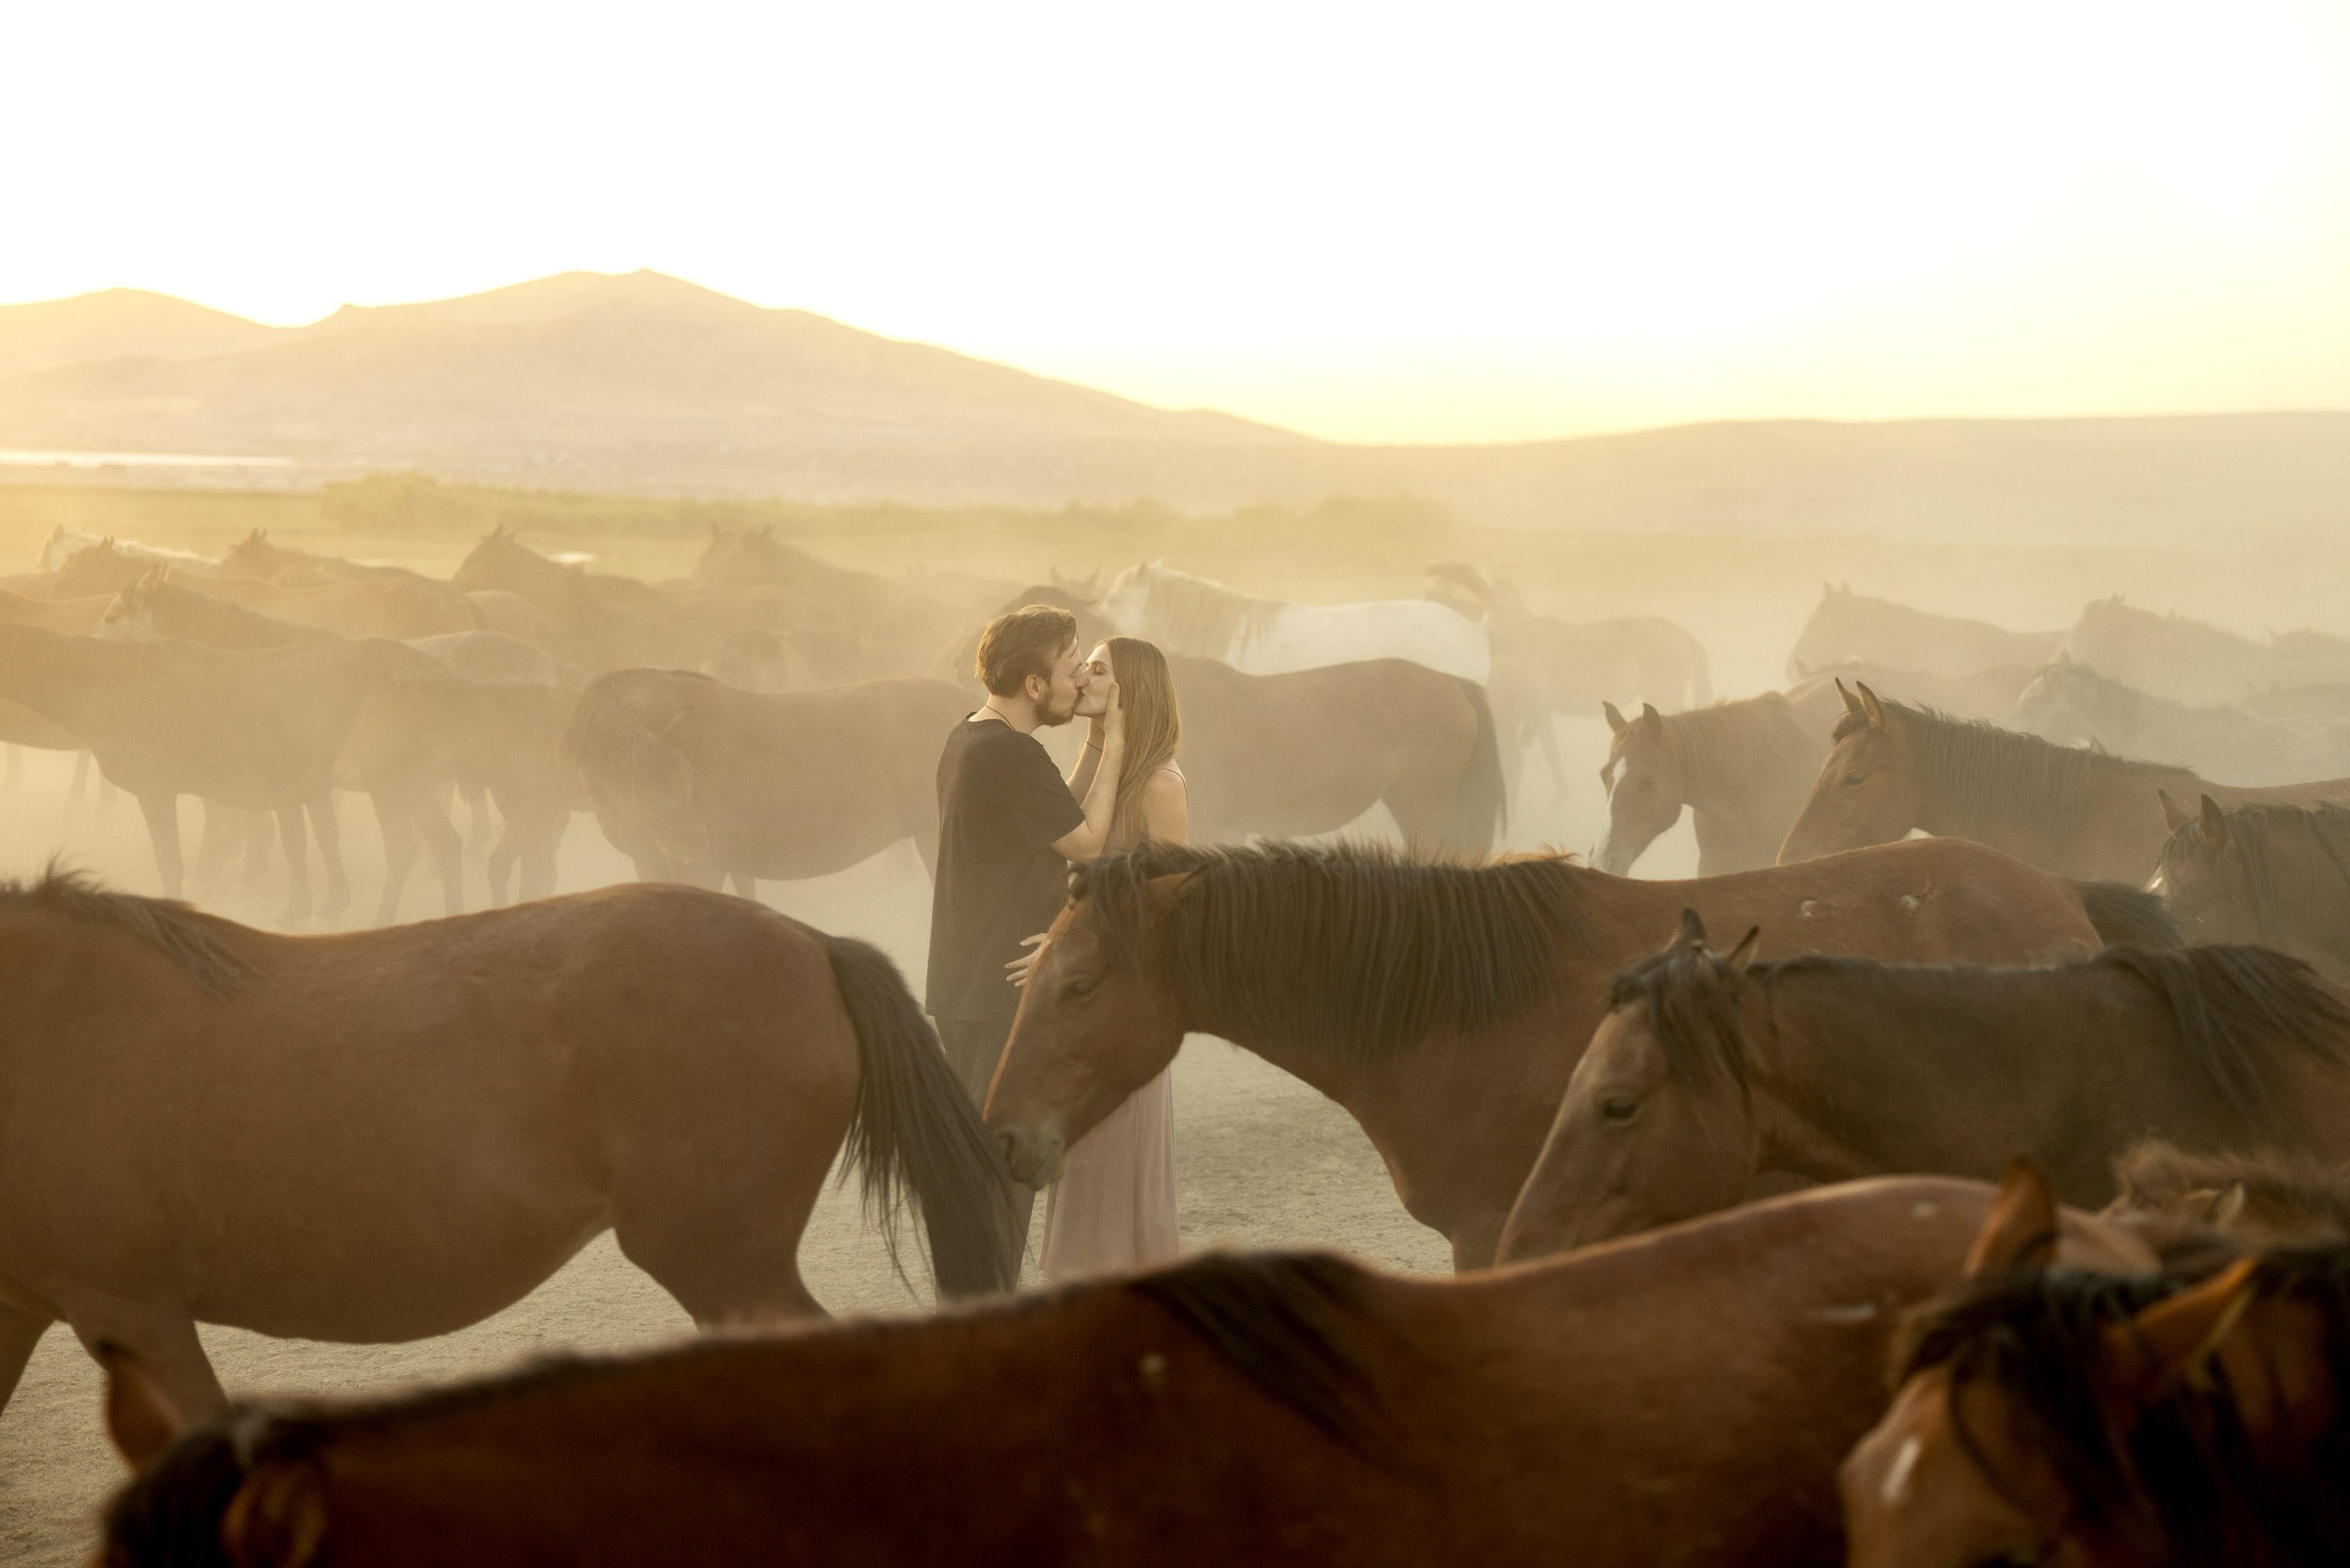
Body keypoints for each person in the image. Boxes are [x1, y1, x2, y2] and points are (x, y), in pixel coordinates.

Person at [927, 605, 1125, 1279]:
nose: (1079, 681)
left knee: (985, 1157)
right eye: (1070, 669)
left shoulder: (972, 737)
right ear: (1034, 687)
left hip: (967, 978)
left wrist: (1094, 743)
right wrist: (1117, 739)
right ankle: (983, 1306)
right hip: (996, 983)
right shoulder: (1009, 754)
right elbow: (1088, 844)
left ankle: (980, 1299)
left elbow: (1051, 816)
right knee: (1003, 1164)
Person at [1013, 637, 1186, 1282]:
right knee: (1082, 1153)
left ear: (1131, 689)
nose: (1082, 673)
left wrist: (1066, 943)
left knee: (1111, 1152)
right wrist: (1103, 740)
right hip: (1091, 994)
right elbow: (1065, 838)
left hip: (1128, 998)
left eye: (1098, 667)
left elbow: (1164, 909)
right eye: (1083, 662)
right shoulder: (1110, 765)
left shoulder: (1163, 785)